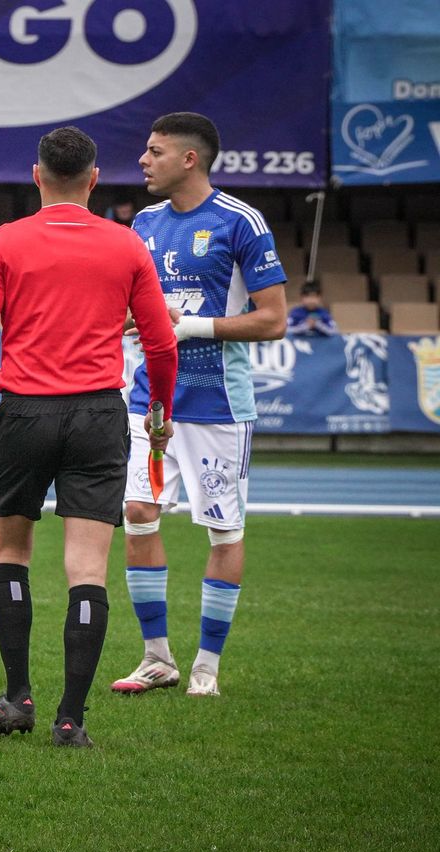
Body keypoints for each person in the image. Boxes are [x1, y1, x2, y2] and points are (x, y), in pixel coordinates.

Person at [0, 127, 179, 748]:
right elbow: (158, 341)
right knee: (86, 570)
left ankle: (17, 695)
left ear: (36, 175)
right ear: (94, 179)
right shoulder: (126, 246)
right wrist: (160, 410)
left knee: (10, 554)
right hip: (99, 416)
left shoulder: (3, 243)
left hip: (24, 415)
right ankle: (71, 718)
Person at [113, 112, 288, 698]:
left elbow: (273, 319)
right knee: (137, 513)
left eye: (155, 150)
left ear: (190, 159)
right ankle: (157, 657)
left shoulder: (241, 222)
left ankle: (207, 667)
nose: (144, 159)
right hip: (150, 401)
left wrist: (188, 327)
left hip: (218, 405)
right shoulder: (143, 222)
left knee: (222, 532)